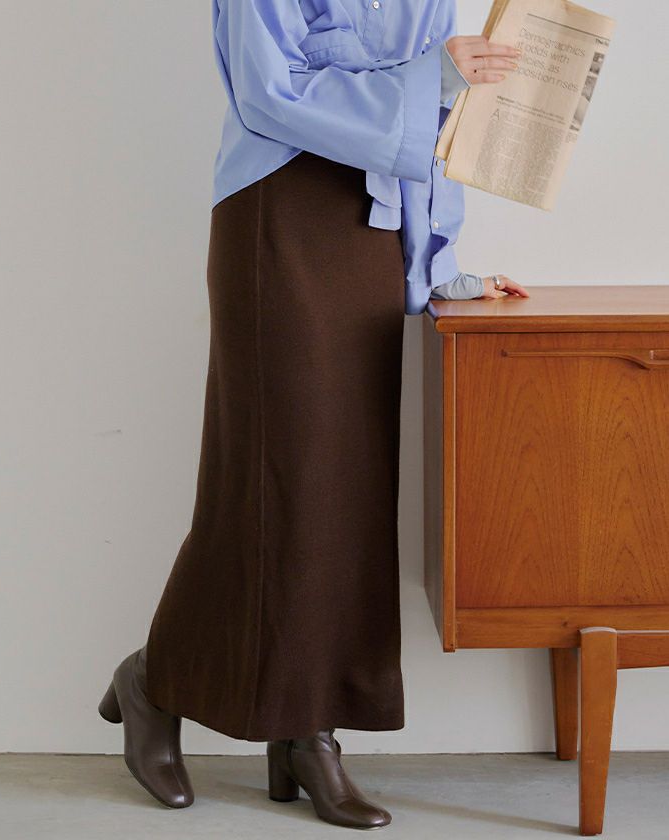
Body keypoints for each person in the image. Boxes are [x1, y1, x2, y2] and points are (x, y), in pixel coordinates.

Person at [98, 0, 530, 830]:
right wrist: (427, 79)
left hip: (373, 233)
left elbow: (435, 129)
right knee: (275, 483)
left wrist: (440, 264)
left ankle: (307, 731)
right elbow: (268, 93)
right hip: (281, 213)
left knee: (343, 492)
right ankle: (154, 680)